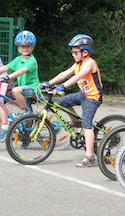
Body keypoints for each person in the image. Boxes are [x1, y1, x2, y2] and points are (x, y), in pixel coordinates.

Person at [40, 34, 103, 167]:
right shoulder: (77, 64)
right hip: (83, 94)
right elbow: (64, 74)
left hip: (93, 97)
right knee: (62, 102)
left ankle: (90, 156)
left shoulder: (89, 63)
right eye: (72, 52)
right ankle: (76, 121)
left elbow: (79, 76)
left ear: (85, 52)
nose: (73, 55)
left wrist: (63, 86)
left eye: (75, 52)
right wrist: (48, 83)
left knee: (87, 126)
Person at [0, 30, 40, 141]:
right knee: (3, 97)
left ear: (32, 47)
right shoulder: (18, 59)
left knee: (16, 91)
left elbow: (22, 71)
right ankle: (26, 137)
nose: (25, 48)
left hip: (33, 88)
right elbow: (5, 68)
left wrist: (8, 77)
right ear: (18, 47)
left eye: (28, 46)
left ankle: (25, 111)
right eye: (22, 46)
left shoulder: (32, 61)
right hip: (23, 90)